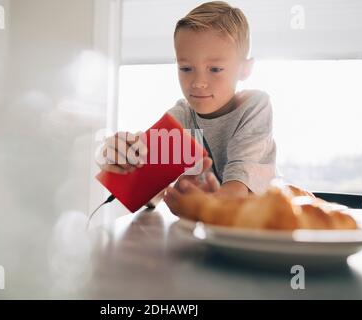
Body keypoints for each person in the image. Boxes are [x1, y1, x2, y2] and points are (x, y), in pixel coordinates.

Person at [97, 1, 277, 215]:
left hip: (265, 224)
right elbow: (149, 196)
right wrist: (121, 162)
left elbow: (237, 190)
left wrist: (195, 205)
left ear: (245, 69)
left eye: (215, 69)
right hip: (208, 232)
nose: (198, 82)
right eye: (186, 68)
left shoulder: (254, 106)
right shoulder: (182, 115)